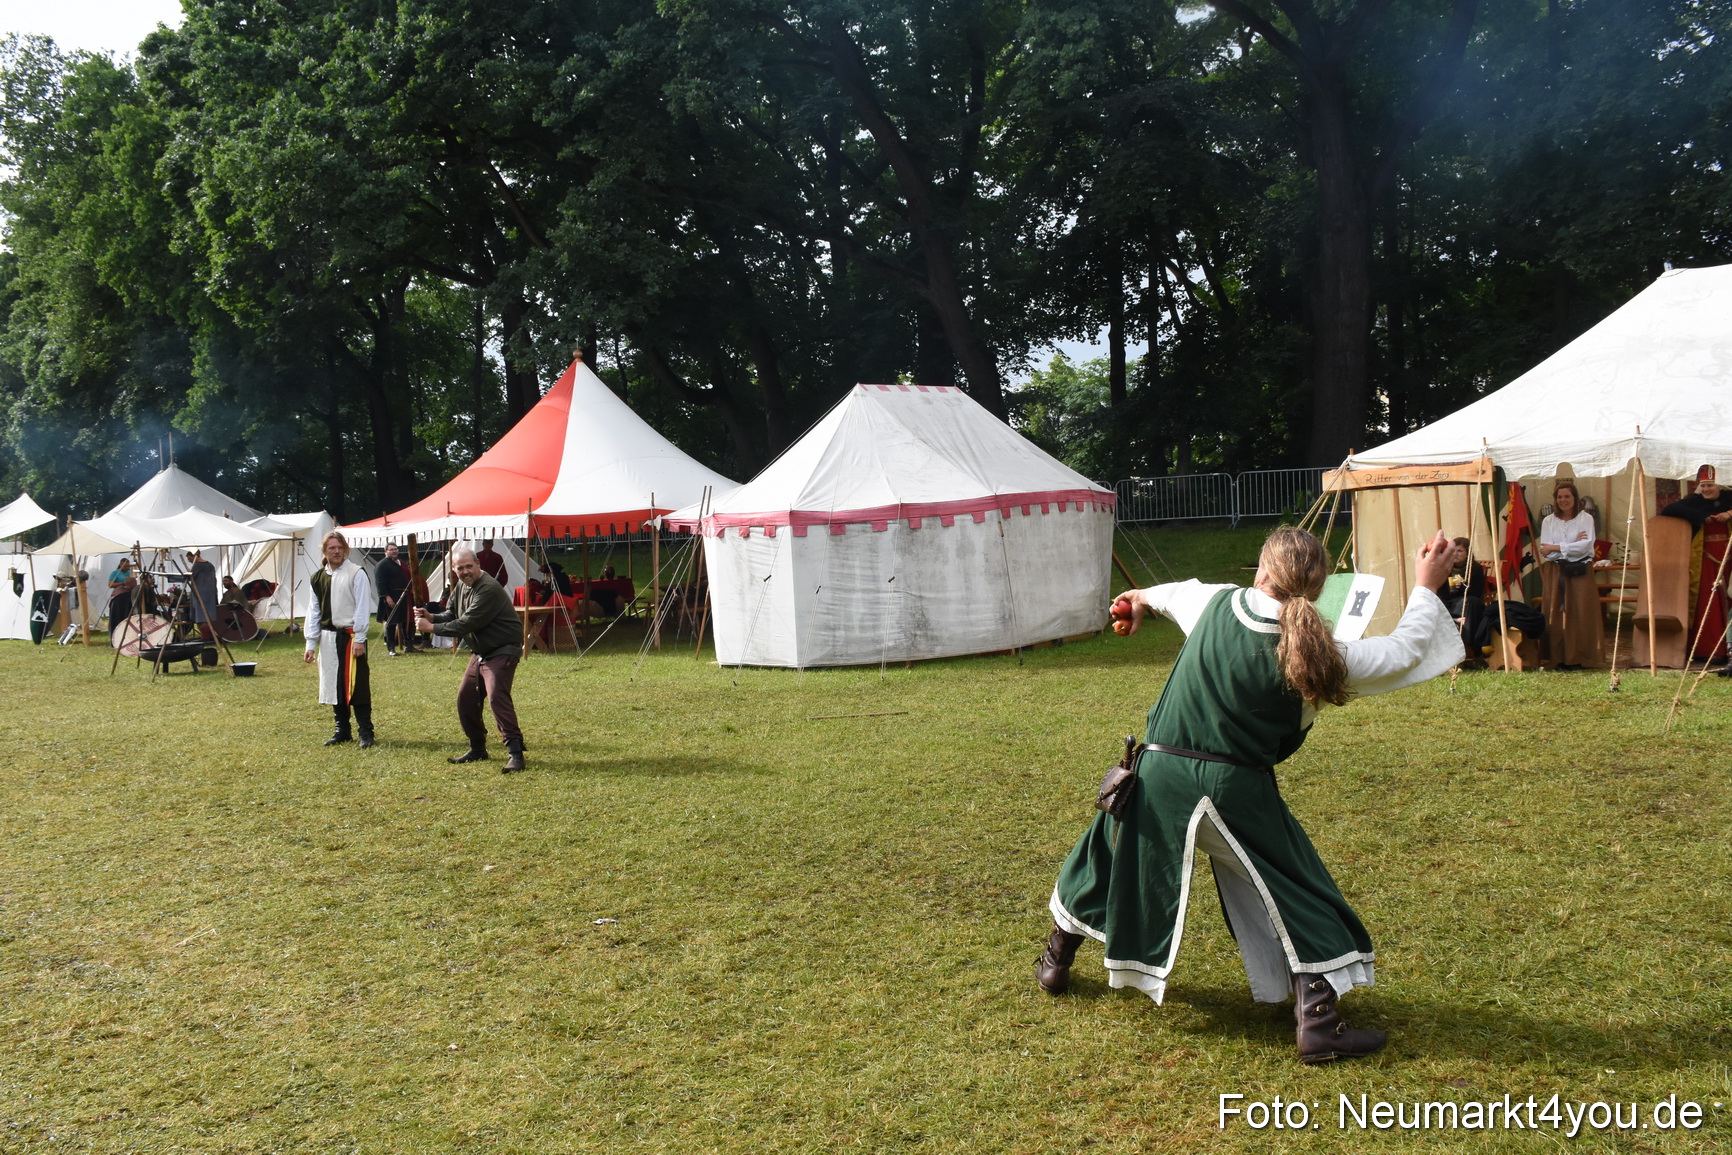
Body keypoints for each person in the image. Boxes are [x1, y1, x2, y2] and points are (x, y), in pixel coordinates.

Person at [1035, 526, 1462, 1064]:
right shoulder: (1325, 656)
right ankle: (1318, 1021)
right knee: (1298, 887)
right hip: (1235, 787)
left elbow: (1172, 593)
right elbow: (1405, 650)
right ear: (1318, 588)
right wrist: (1427, 583)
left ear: (1261, 571)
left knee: (1106, 855)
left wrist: (1136, 600)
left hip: (1158, 773)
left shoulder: (1217, 603)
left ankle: (1056, 959)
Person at [415, 547, 526, 772]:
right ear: (454, 570)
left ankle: (516, 753)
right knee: (466, 699)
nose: (465, 571)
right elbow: (453, 615)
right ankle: (477, 748)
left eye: (468, 566)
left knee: (497, 697)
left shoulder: (488, 588)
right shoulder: (461, 587)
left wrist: (431, 627)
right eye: (460, 568)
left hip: (503, 650)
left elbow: (468, 623)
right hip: (481, 652)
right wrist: (432, 616)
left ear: (478, 565)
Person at [303, 531, 376, 749]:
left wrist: (360, 638)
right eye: (331, 548)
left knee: (357, 684)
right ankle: (342, 730)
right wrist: (310, 643)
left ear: (345, 549)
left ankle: (366, 732)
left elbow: (363, 607)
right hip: (327, 638)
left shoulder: (356, 573)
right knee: (334, 685)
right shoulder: (318, 578)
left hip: (351, 636)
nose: (336, 551)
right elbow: (313, 611)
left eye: (339, 547)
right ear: (324, 551)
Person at [1659, 465, 1732, 663]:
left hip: (1729, 557)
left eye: (1710, 485)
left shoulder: (1728, 498)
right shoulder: (1695, 502)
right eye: (1703, 485)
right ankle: (1709, 649)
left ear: (1719, 485)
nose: (1707, 489)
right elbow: (1669, 509)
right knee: (1708, 601)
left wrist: (1730, 513)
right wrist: (1701, 517)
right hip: (1705, 558)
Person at [1536, 479, 1605, 669]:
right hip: (1555, 571)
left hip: (1580, 571)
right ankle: (1558, 658)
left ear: (1575, 498)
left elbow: (1585, 547)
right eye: (1559, 497)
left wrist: (1557, 546)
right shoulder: (1549, 521)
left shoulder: (1585, 519)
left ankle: (1580, 658)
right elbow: (1545, 550)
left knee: (1581, 613)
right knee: (1556, 613)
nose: (1563, 500)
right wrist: (1571, 544)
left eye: (1567, 496)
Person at [374, 541, 417, 656]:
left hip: (404, 596)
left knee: (406, 621)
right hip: (391, 597)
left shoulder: (400, 563)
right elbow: (380, 583)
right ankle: (391, 648)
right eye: (391, 549)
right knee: (391, 623)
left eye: (395, 549)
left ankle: (409, 645)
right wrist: (386, 597)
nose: (394, 551)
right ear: (386, 552)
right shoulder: (382, 564)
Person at [185, 550, 218, 642]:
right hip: (209, 594)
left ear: (194, 556)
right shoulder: (210, 565)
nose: (190, 561)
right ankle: (209, 637)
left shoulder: (197, 566)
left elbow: (188, 578)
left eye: (189, 558)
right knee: (206, 616)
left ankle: (206, 638)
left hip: (200, 594)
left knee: (201, 617)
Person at [106, 558, 137, 633]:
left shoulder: (130, 572)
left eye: (128, 566)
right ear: (120, 565)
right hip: (119, 594)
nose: (127, 568)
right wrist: (123, 583)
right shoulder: (115, 573)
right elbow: (110, 585)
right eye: (125, 566)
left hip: (129, 595)